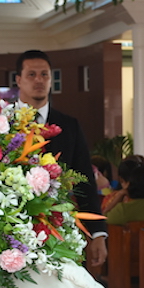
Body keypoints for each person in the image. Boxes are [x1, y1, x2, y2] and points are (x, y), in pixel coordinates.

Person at [15, 50, 107, 267]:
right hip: (10, 225)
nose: (39, 80)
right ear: (18, 80)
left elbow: (84, 179)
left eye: (45, 75)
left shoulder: (69, 126)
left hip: (57, 226)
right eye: (32, 74)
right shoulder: (2, 121)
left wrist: (97, 233)